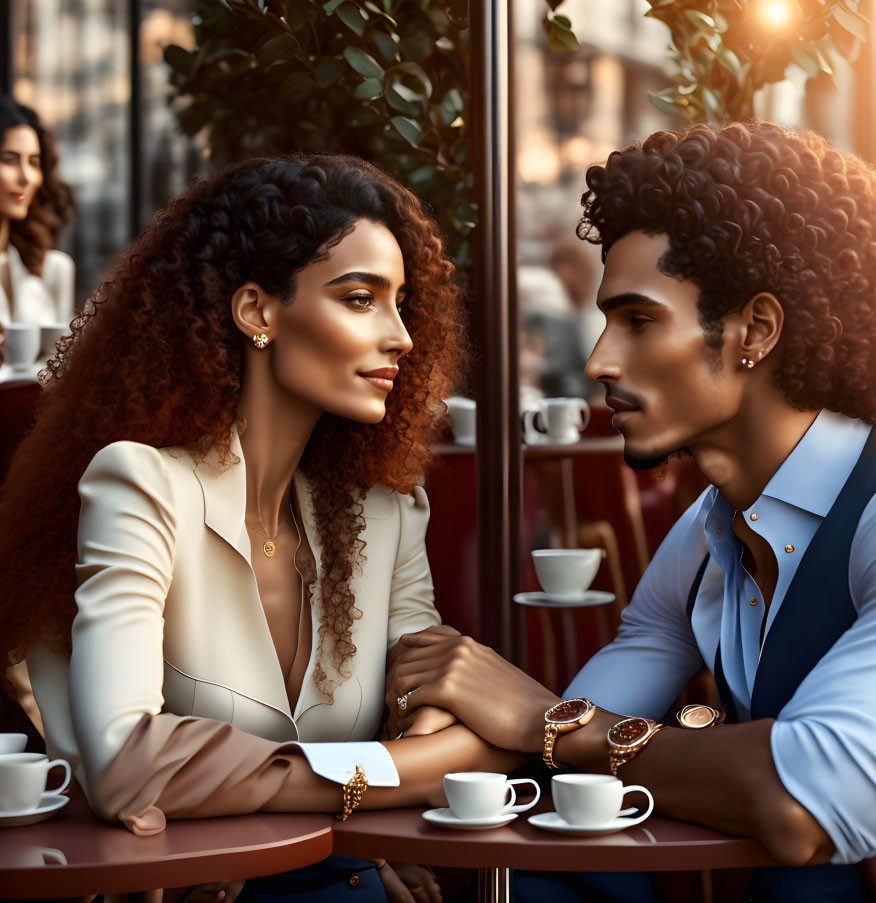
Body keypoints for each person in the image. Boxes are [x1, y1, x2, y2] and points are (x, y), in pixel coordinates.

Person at [385, 123, 876, 902]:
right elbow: (561, 747)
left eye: (638, 320)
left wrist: (542, 714)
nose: (599, 360)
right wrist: (417, 775)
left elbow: (804, 801)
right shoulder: (709, 532)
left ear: (755, 332)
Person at [0, 154, 519, 902]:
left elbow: (442, 700)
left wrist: (294, 801)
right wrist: (383, 790)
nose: (401, 335)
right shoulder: (142, 483)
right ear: (257, 313)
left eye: (401, 301)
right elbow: (124, 766)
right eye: (360, 298)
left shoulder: (386, 508)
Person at [0, 95, 76, 365]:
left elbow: (63, 367)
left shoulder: (54, 268)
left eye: (33, 162)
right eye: (9, 159)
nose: (26, 177)